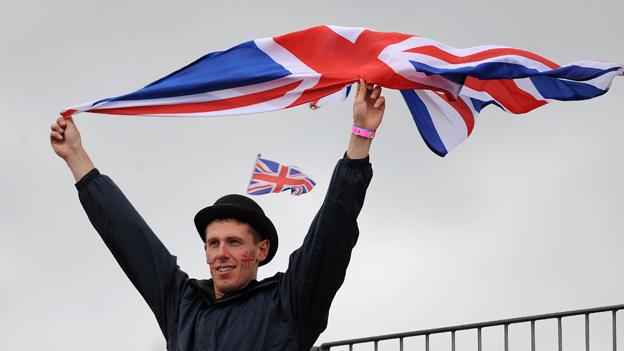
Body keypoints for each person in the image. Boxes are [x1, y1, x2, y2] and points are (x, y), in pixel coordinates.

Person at [50, 80, 385, 351]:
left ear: (261, 250)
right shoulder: (182, 305)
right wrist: (77, 159)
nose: (221, 253)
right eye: (213, 243)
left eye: (234, 242)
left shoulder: (287, 303)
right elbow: (131, 239)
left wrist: (360, 139)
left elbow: (330, 237)